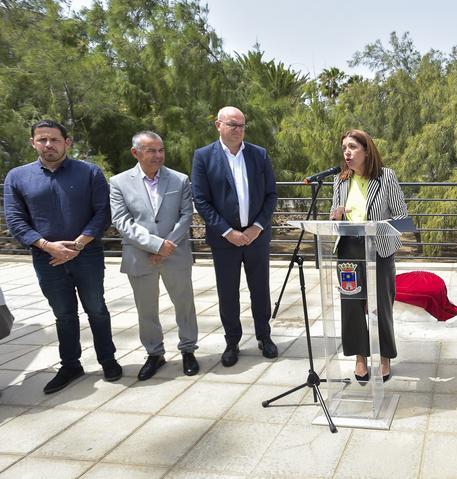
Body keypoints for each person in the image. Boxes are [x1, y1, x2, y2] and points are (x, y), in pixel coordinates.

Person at [3, 119, 121, 394]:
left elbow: (103, 212)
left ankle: (108, 359)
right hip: (47, 259)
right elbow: (16, 221)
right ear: (33, 143)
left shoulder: (89, 172)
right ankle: (70, 364)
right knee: (64, 314)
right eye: (42, 140)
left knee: (97, 309)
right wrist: (49, 246)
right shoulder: (17, 177)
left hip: (87, 254)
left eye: (54, 139)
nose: (48, 145)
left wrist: (77, 245)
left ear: (67, 142)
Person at [191, 106, 278, 367]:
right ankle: (232, 341)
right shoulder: (203, 156)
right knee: (228, 293)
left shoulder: (258, 154)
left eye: (242, 125)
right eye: (232, 124)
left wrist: (257, 227)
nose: (238, 130)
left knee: (260, 290)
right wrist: (228, 232)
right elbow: (201, 200)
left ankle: (264, 336)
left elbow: (271, 195)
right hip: (224, 240)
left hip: (256, 238)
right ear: (218, 125)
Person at [109, 131, 199, 380]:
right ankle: (154, 353)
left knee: (184, 305)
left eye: (161, 150)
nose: (158, 155)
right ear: (135, 152)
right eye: (151, 151)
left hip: (176, 253)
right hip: (140, 256)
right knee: (146, 309)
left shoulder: (179, 179)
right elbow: (122, 221)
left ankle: (188, 350)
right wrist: (155, 245)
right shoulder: (119, 182)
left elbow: (185, 216)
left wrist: (167, 246)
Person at [329, 129, 408, 382]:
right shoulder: (340, 180)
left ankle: (384, 357)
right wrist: (337, 215)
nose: (347, 153)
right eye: (344, 148)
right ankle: (360, 358)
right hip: (349, 250)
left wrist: (380, 228)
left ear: (366, 149)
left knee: (380, 306)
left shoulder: (386, 177)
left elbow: (402, 218)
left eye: (352, 147)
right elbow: (334, 215)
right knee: (351, 306)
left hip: (379, 250)